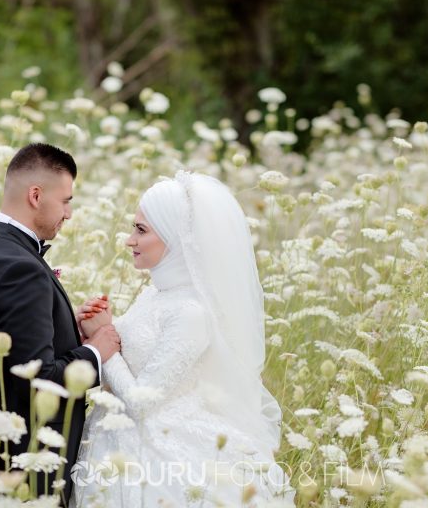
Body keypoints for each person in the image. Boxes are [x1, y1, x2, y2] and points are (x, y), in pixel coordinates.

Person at [70, 171, 292, 507]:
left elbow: (142, 402)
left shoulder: (191, 312)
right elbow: (126, 358)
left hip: (159, 462)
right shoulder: (153, 294)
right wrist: (94, 327)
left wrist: (104, 347)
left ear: (175, 238)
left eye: (141, 230)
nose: (130, 240)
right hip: (114, 442)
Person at [0, 143, 121, 504]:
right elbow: (40, 382)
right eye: (66, 201)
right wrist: (96, 352)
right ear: (36, 195)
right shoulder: (21, 268)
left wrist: (67, 328)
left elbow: (12, 353)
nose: (69, 213)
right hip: (26, 472)